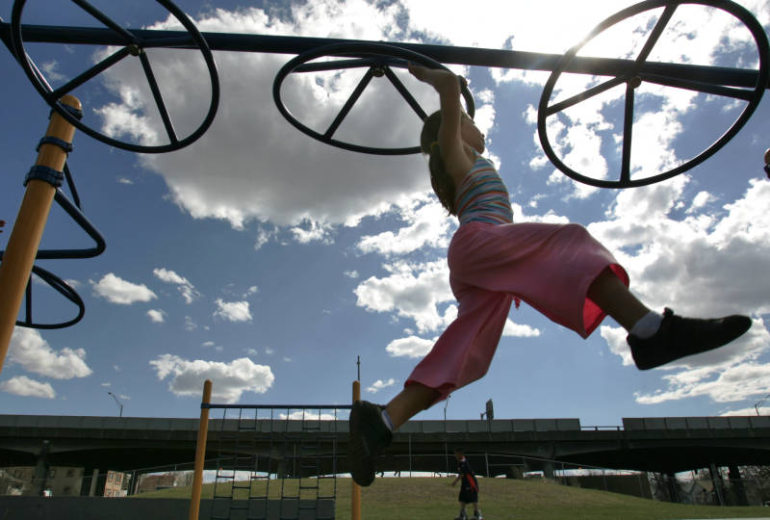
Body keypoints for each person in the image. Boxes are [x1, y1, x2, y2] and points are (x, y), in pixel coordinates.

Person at [348, 64, 752, 487]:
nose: (475, 125)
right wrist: (432, 76)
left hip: (483, 264)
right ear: (450, 130)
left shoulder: (470, 159)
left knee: (469, 352)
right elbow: (448, 90)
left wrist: (463, 96)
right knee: (570, 243)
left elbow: (459, 101)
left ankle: (384, 421)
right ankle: (650, 330)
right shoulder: (454, 155)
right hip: (480, 244)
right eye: (467, 121)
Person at [451, 448, 482, 520]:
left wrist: (455, 482)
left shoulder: (463, 462)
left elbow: (462, 474)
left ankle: (477, 515)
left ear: (460, 454)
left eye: (456, 453)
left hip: (470, 483)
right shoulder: (460, 462)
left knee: (473, 498)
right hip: (464, 483)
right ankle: (463, 515)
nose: (455, 455)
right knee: (462, 498)